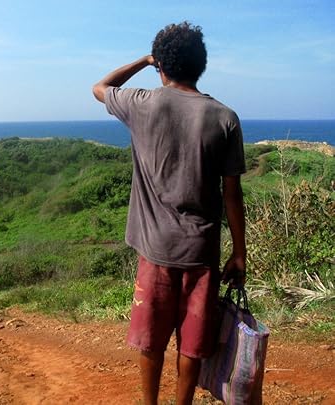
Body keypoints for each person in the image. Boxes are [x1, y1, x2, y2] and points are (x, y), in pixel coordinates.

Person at [92, 22, 246, 405]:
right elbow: (232, 194)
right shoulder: (225, 117)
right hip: (202, 252)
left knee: (151, 340)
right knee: (192, 345)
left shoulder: (143, 103)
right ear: (202, 64)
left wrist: (145, 61)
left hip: (155, 250)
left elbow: (100, 87)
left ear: (162, 66)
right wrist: (240, 252)